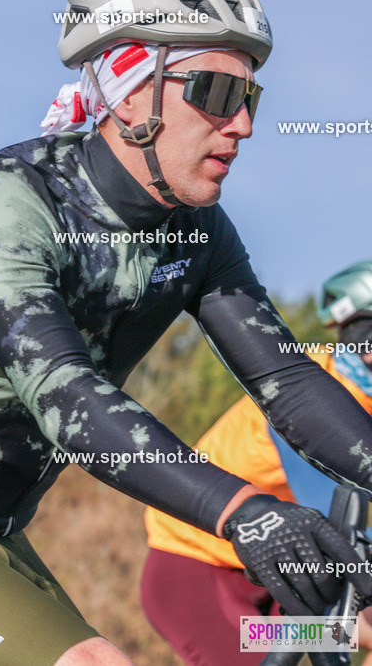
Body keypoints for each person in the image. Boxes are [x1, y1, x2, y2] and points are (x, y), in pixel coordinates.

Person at [0, 0, 372, 664]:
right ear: (130, 94)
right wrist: (243, 510)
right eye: (214, 92)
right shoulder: (8, 202)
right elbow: (67, 396)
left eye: (250, 98)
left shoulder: (199, 235)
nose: (240, 124)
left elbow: (289, 379)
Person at [141, 260, 372, 665]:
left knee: (354, 639)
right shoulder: (313, 386)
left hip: (282, 569)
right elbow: (329, 508)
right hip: (200, 568)